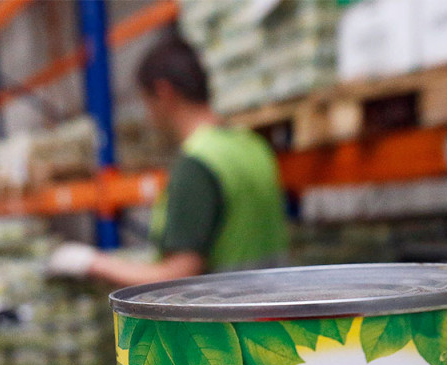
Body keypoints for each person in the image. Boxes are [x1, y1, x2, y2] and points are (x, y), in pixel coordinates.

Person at [47, 37, 290, 287]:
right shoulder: (252, 145)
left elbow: (178, 275)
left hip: (223, 321)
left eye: (147, 101)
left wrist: (93, 263)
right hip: (270, 314)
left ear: (164, 92)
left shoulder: (198, 164)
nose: (148, 115)